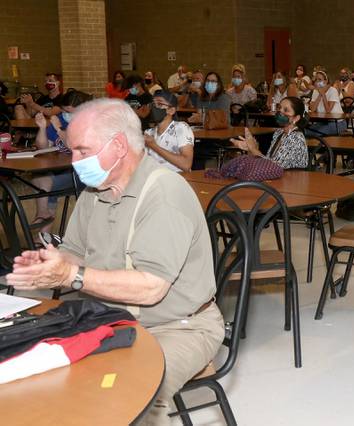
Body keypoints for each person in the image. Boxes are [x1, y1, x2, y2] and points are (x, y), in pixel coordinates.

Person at [5, 98, 224, 425]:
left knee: (129, 402)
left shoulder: (163, 195)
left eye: (81, 150)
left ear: (119, 146)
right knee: (36, 379)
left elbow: (151, 288)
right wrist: (48, 266)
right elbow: (75, 253)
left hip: (179, 327)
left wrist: (72, 276)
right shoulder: (97, 191)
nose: (74, 160)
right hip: (111, 317)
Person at [30, 90, 92, 232]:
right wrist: (42, 129)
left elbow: (73, 145)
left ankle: (43, 228)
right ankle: (43, 222)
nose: (67, 115)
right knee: (41, 177)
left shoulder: (89, 123)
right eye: (65, 111)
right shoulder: (60, 118)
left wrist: (58, 129)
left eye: (72, 112)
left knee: (48, 187)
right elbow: (43, 146)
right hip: (64, 169)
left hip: (86, 173)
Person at [231, 96, 309, 169]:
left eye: (286, 110)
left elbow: (274, 167)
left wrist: (253, 149)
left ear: (296, 118)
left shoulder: (296, 138)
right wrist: (251, 148)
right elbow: (268, 161)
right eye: (279, 108)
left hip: (292, 181)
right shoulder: (279, 133)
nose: (280, 111)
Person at [144, 90, 194, 173]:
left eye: (159, 104)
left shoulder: (181, 128)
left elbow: (186, 164)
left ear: (171, 110)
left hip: (177, 179)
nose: (154, 108)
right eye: (153, 104)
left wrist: (154, 146)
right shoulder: (148, 133)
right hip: (155, 180)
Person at [308, 71, 344, 135]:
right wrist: (319, 95)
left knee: (316, 134)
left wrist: (323, 94)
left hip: (337, 122)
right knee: (306, 132)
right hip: (323, 122)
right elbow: (313, 109)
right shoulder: (315, 91)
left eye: (320, 79)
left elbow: (328, 110)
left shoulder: (333, 90)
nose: (317, 81)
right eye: (316, 79)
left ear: (326, 81)